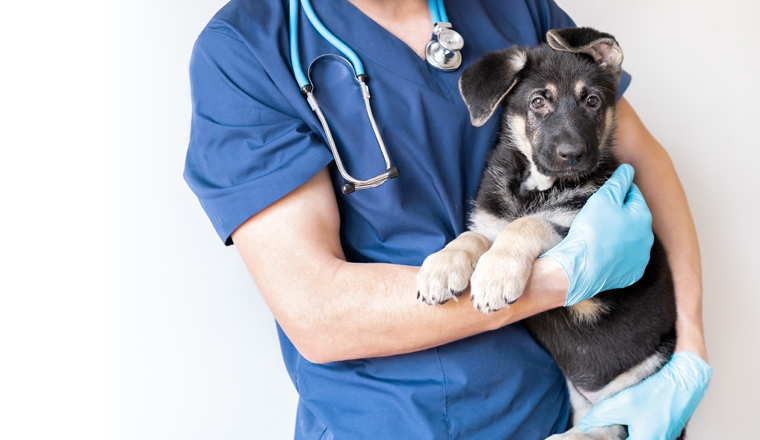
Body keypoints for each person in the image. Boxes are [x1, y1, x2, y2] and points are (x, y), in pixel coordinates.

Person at [184, 0, 712, 438]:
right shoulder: (249, 48)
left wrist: (687, 353)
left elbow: (646, 163)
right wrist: (558, 276)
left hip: (551, 413)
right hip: (383, 423)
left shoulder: (512, 7)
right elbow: (317, 314)